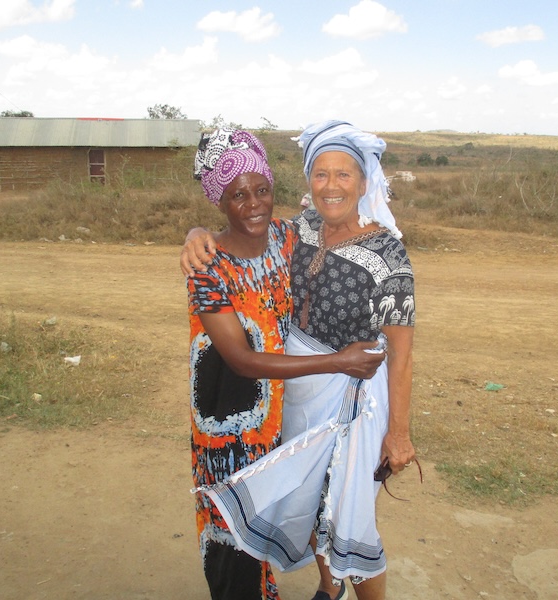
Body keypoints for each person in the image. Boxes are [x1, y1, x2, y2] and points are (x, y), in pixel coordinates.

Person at [184, 121, 416, 600]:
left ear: (364, 182)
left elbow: (401, 353)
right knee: (281, 506)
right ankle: (325, 590)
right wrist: (196, 233)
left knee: (342, 514)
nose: (332, 186)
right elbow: (241, 355)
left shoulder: (360, 249)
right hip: (261, 408)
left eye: (344, 174)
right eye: (321, 174)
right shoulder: (274, 241)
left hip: (324, 403)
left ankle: (342, 589)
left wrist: (398, 432)